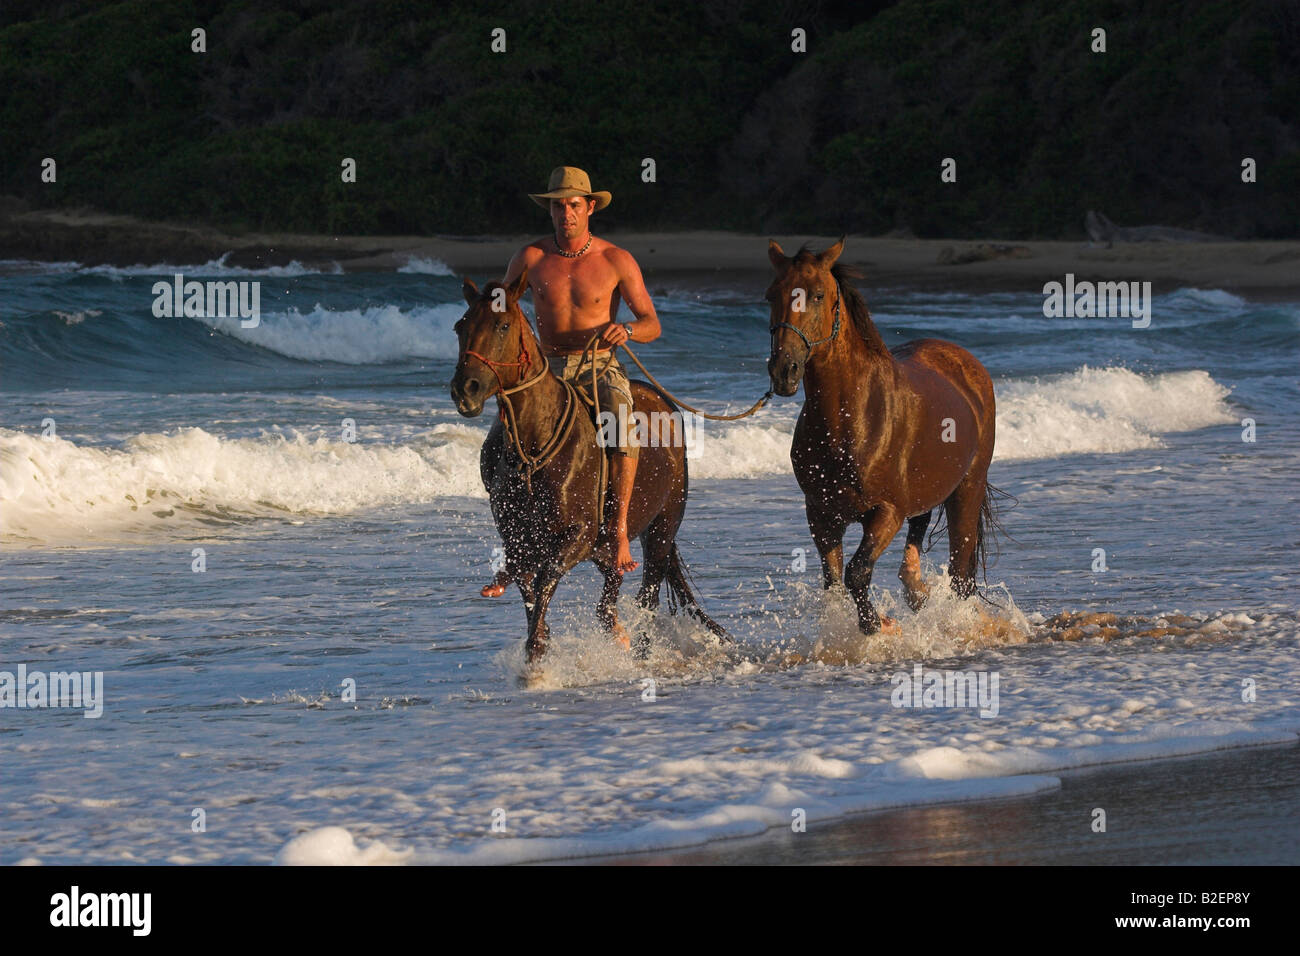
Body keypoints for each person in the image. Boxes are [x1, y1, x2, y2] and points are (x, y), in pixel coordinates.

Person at [480, 166, 661, 597]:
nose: (566, 213)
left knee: (621, 428)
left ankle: (617, 531)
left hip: (598, 367)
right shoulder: (531, 259)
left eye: (573, 205)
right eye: (558, 206)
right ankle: (515, 554)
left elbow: (652, 321)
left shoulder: (616, 260)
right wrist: (483, 306)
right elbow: (502, 308)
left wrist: (629, 331)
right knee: (494, 450)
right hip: (545, 371)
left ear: (590, 206)